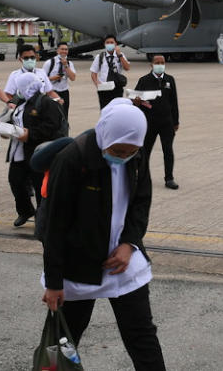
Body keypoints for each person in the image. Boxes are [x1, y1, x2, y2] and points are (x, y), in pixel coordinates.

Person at [41, 98, 165, 370]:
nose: (123, 157)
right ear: (105, 136)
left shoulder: (136, 154)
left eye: (130, 152)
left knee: (142, 336)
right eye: (118, 151)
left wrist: (129, 243)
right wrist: (53, 282)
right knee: (63, 339)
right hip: (79, 264)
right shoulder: (72, 160)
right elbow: (55, 225)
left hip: (122, 262)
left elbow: (141, 202)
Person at [6, 72, 66, 227]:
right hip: (19, 151)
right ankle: (25, 211)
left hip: (37, 151)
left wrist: (30, 134)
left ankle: (43, 218)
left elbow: (52, 126)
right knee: (15, 180)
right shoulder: (21, 101)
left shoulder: (46, 103)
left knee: (40, 186)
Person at [134, 55, 180, 190]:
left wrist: (175, 121)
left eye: (162, 63)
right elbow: (136, 99)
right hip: (149, 122)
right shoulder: (144, 80)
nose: (160, 65)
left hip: (167, 122)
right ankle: (142, 177)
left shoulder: (169, 80)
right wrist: (136, 102)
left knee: (168, 151)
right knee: (145, 151)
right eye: (157, 62)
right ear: (151, 65)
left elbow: (174, 102)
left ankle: (169, 178)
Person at [90, 34, 130, 109]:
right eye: (107, 43)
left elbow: (127, 68)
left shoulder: (120, 55)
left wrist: (119, 55)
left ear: (116, 44)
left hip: (117, 87)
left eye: (112, 42)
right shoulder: (100, 56)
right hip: (104, 88)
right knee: (104, 109)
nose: (109, 44)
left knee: (117, 109)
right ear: (104, 44)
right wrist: (97, 84)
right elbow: (93, 73)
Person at [42, 41, 76, 117]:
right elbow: (41, 79)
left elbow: (73, 78)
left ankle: (64, 128)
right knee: (51, 115)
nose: (64, 51)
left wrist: (66, 65)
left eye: (66, 49)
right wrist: (53, 78)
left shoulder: (69, 63)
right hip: (51, 92)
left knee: (64, 115)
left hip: (64, 92)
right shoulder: (49, 63)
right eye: (62, 49)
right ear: (57, 50)